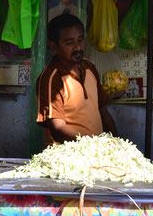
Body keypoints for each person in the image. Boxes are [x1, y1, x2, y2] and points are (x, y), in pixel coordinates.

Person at [36, 13, 118, 145]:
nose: (78, 47)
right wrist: (93, 143)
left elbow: (103, 111)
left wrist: (117, 143)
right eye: (70, 43)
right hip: (66, 158)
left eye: (80, 40)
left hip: (96, 154)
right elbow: (57, 129)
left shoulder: (89, 67)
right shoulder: (51, 78)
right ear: (54, 47)